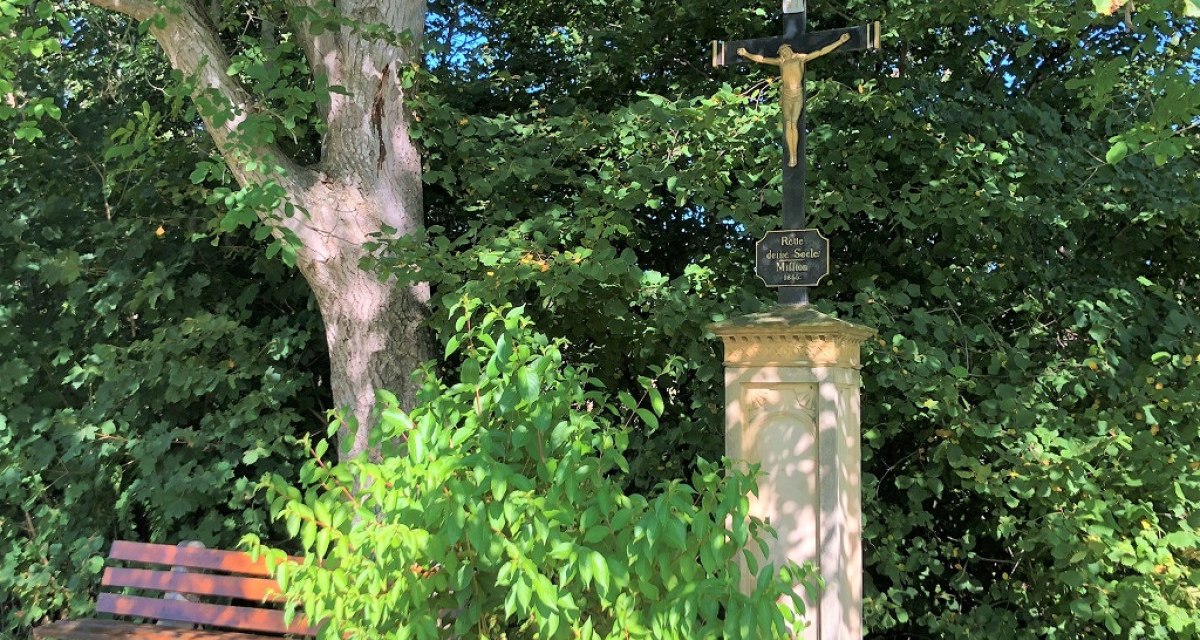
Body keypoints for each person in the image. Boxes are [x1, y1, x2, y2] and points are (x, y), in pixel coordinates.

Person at [738, 33, 851, 167]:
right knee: (788, 124)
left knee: (793, 122)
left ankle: (794, 156)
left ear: (790, 49)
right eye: (781, 52)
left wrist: (840, 41)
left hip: (797, 94)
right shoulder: (781, 62)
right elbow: (762, 59)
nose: (784, 53)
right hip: (786, 95)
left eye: (785, 50)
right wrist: (746, 53)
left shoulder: (800, 58)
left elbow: (820, 52)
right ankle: (791, 156)